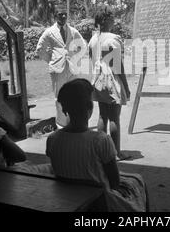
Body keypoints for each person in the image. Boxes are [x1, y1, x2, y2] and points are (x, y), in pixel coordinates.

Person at [46, 79, 148, 212]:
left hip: (65, 198)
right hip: (99, 202)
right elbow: (114, 183)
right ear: (90, 108)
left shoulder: (52, 139)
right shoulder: (100, 141)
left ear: (64, 109)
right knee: (138, 181)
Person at [89, 6, 131, 160]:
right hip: (110, 79)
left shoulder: (94, 39)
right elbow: (118, 66)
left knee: (102, 116)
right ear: (106, 20)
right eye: (112, 18)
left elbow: (92, 59)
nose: (114, 21)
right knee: (114, 117)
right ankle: (115, 153)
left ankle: (101, 151)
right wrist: (125, 86)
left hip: (97, 79)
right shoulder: (113, 38)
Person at [36, 7, 87, 127]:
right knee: (59, 97)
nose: (63, 17)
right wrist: (51, 60)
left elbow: (83, 45)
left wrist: (76, 57)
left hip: (72, 68)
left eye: (65, 14)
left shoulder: (73, 31)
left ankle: (74, 123)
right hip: (57, 69)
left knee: (75, 95)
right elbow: (40, 49)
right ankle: (61, 126)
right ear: (55, 16)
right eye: (60, 14)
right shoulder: (49, 32)